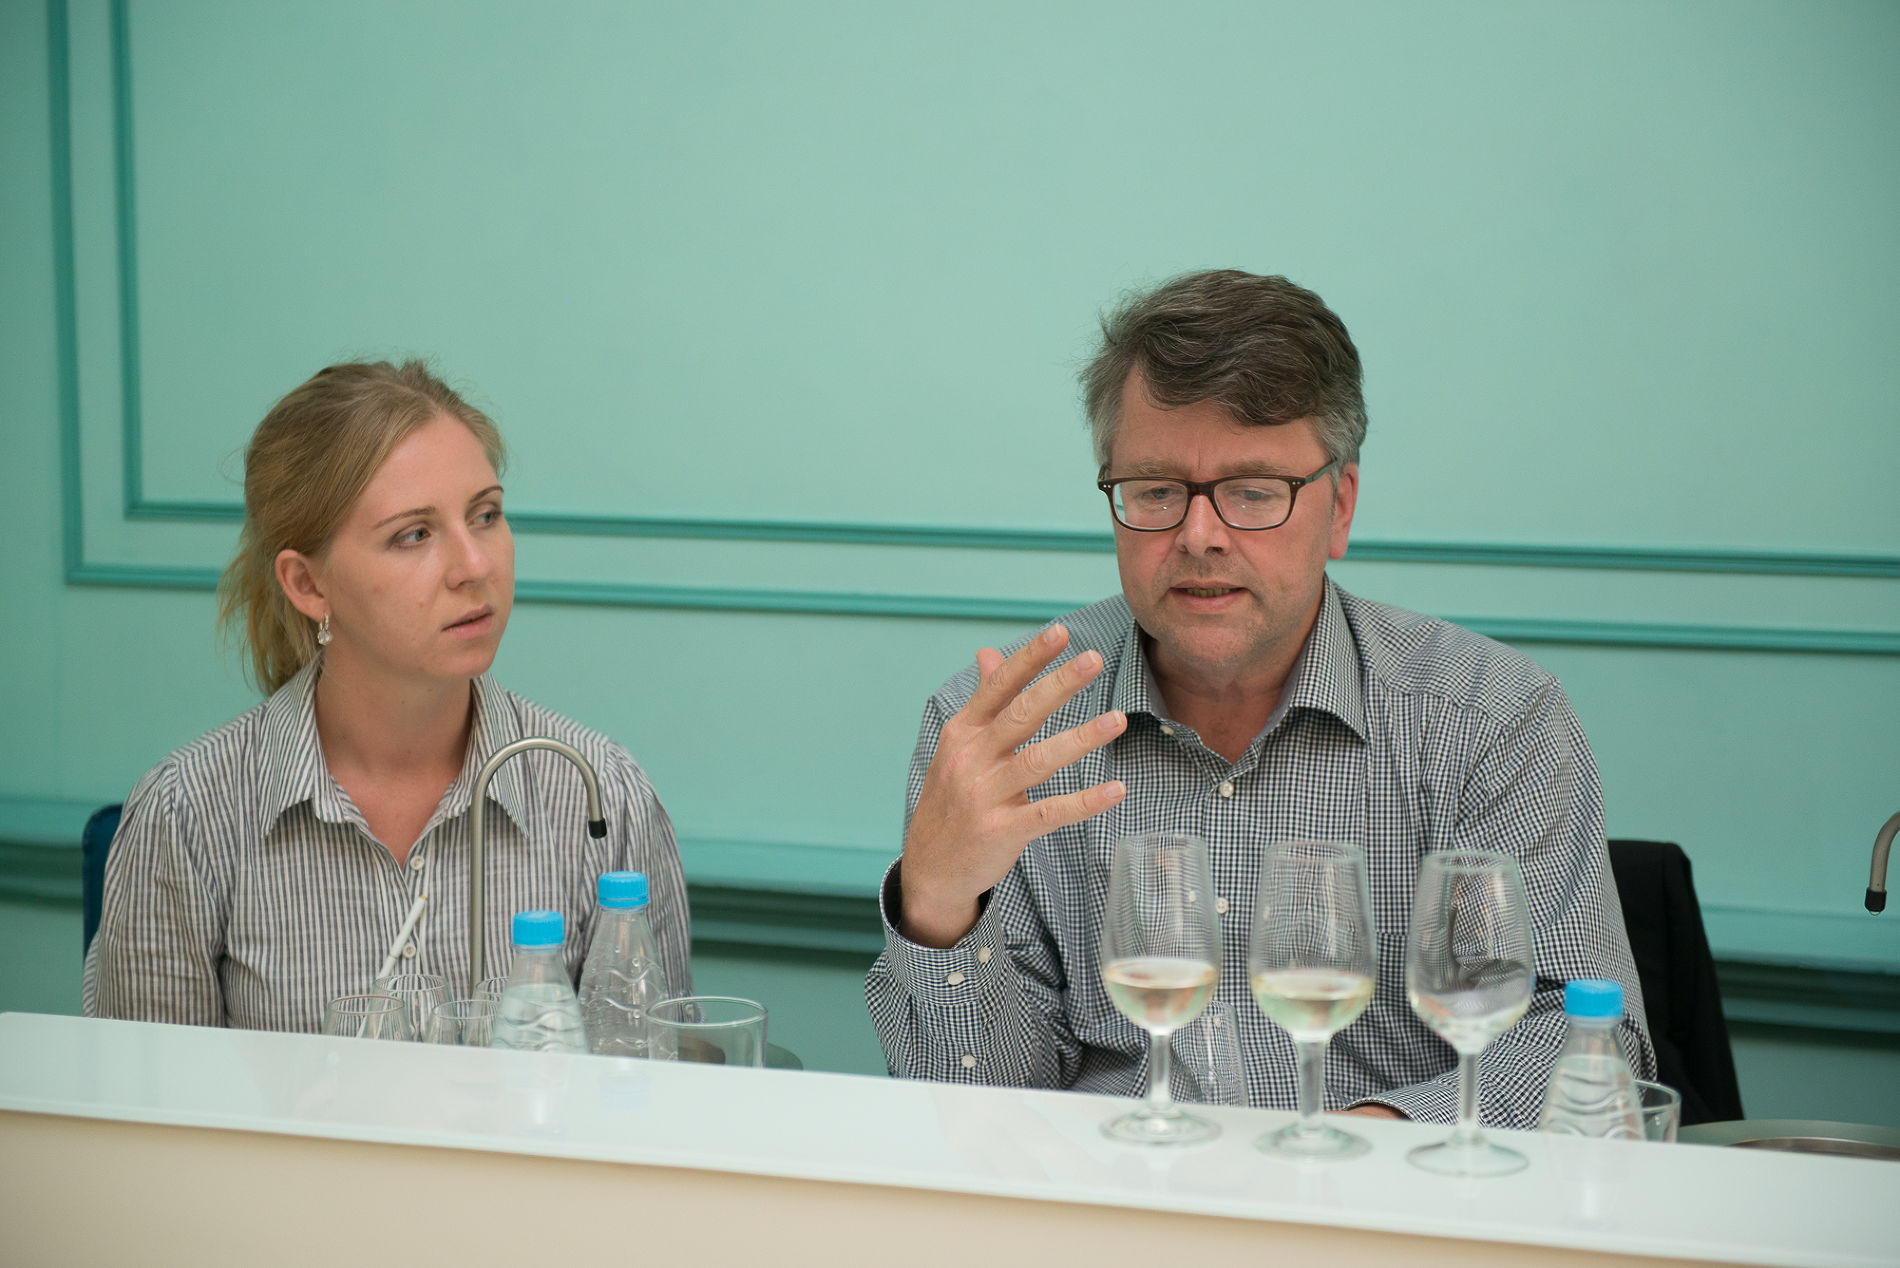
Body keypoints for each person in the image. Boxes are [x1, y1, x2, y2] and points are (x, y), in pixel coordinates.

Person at [865, 271, 1652, 1127]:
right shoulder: (996, 732)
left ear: (1339, 507)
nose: (1199, 536)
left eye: (1252, 492)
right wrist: (938, 910)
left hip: (1384, 1199)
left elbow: (1582, 1045)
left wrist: (1347, 1156)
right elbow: (974, 1114)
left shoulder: (1493, 719)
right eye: (1156, 490)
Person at [83, 361, 691, 1030]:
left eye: (486, 515)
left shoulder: (602, 796)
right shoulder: (186, 815)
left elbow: (654, 1079)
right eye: (414, 534)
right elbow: (146, 1094)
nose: (476, 566)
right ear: (308, 585)